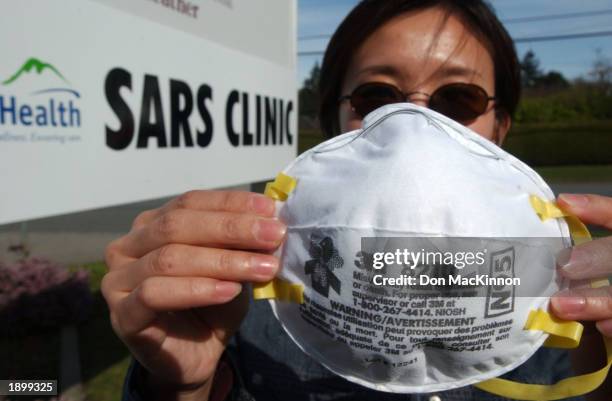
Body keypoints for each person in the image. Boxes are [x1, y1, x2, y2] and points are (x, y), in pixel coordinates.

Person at [102, 1, 612, 400]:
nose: (413, 131)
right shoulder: (249, 307)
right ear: (333, 119)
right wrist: (180, 387)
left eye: (459, 100)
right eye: (377, 98)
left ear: (500, 125)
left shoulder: (563, 313)